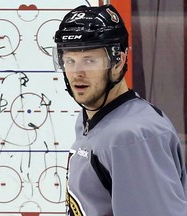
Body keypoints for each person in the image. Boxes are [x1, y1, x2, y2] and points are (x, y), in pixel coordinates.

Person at [53, 4, 187, 216]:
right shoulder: (89, 120)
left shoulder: (133, 137)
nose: (77, 72)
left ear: (118, 61)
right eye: (70, 60)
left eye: (90, 60)